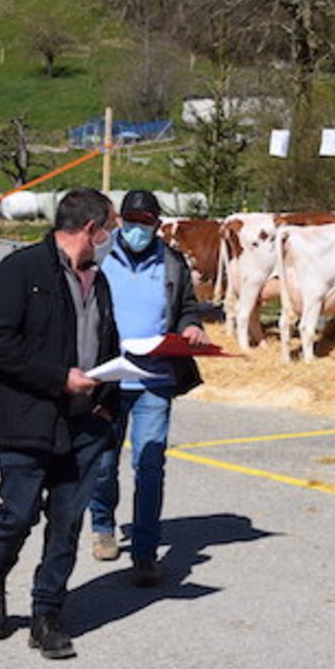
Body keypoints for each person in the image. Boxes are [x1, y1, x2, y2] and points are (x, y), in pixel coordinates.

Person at [0, 187, 119, 660]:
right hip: (27, 419)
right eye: (110, 228)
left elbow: (104, 342)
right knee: (18, 514)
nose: (113, 237)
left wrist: (108, 397)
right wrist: (59, 379)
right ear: (90, 230)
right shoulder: (20, 271)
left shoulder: (99, 279)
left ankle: (47, 614)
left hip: (86, 423)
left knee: (67, 523)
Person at [86, 189, 208, 586]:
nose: (139, 229)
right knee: (103, 465)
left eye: (147, 222)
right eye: (132, 220)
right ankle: (103, 525)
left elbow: (188, 306)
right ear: (119, 221)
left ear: (157, 224)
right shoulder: (98, 258)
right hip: (107, 378)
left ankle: (145, 551)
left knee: (150, 465)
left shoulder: (172, 262)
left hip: (154, 381)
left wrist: (191, 325)